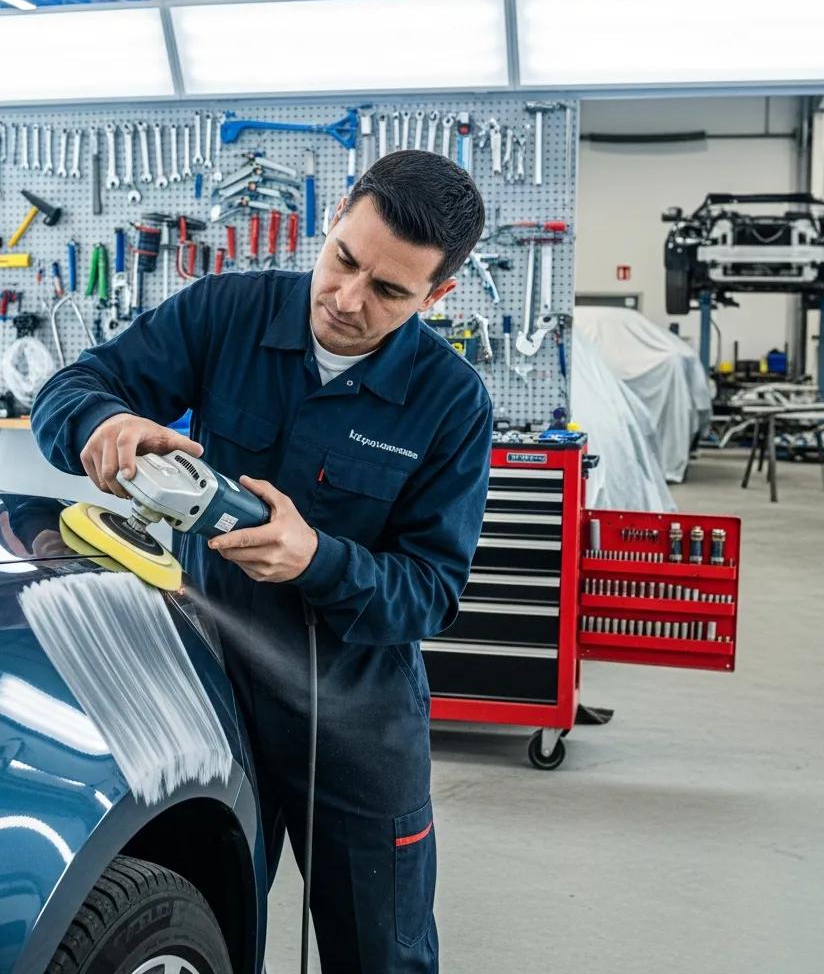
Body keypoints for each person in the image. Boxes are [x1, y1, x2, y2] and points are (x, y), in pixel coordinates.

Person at [32, 149, 493, 973]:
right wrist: (102, 424)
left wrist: (319, 560)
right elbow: (73, 388)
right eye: (344, 261)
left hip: (357, 723)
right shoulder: (226, 311)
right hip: (209, 694)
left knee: (380, 954)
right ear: (334, 220)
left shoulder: (453, 403)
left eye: (389, 292)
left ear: (438, 295)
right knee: (201, 925)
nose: (348, 300)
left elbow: (431, 592)